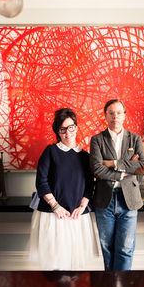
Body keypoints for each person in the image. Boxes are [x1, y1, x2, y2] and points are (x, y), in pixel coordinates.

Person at [29, 108, 103, 270]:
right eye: (62, 129)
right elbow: (41, 182)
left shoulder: (85, 156)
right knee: (56, 266)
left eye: (70, 127)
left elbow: (90, 184)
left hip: (77, 216)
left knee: (74, 268)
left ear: (76, 127)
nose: (67, 133)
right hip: (54, 216)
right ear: (58, 131)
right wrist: (55, 206)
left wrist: (82, 206)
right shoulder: (50, 151)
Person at [90, 99, 144, 270]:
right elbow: (96, 170)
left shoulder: (135, 139)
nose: (115, 116)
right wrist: (125, 171)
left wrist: (113, 163)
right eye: (111, 113)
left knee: (125, 249)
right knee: (108, 248)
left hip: (128, 199)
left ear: (124, 115)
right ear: (105, 116)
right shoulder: (97, 140)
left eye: (119, 112)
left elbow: (142, 165)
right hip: (104, 200)